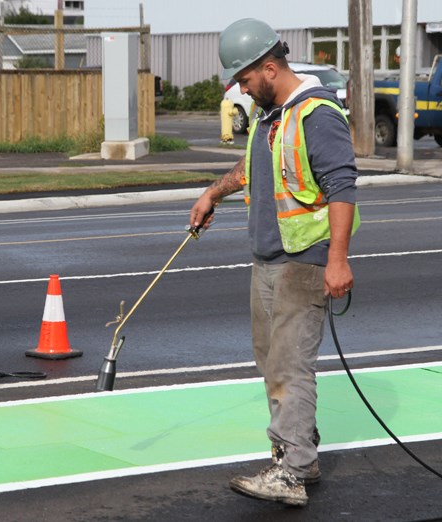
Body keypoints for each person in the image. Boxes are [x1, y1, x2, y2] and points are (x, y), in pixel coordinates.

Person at [189, 18, 359, 507]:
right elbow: (252, 167)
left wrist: (338, 261)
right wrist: (212, 193)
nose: (242, 89)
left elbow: (342, 187)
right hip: (268, 259)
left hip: (303, 260)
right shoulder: (271, 115)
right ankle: (299, 452)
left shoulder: (316, 113)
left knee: (291, 366)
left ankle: (293, 473)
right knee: (273, 363)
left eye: (244, 80)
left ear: (269, 67)